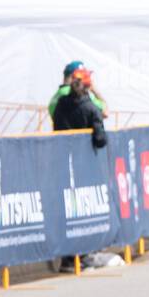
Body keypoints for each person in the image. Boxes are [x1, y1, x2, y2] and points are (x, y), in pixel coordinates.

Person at [51, 67, 108, 273]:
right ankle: (82, 255)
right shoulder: (91, 108)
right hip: (84, 168)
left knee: (67, 211)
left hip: (63, 166)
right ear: (86, 86)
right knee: (82, 211)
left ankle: (68, 258)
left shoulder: (59, 106)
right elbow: (101, 140)